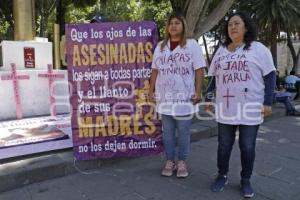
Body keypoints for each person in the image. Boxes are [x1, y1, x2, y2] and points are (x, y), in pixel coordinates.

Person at [205, 11, 276, 198]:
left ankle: (245, 179)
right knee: (224, 146)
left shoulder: (258, 49)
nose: (233, 27)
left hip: (250, 108)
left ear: (246, 27)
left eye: (237, 23)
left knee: (247, 146)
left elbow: (270, 75)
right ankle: (222, 175)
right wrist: (208, 98)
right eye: (229, 25)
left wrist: (268, 103)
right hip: (225, 107)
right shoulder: (220, 51)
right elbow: (213, 78)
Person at [149, 12, 206, 178]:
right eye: (171, 23)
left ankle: (182, 161)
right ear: (167, 27)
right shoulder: (160, 46)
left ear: (183, 26)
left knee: (183, 131)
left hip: (184, 97)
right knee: (167, 132)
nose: (173, 26)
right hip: (165, 97)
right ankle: (169, 161)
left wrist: (198, 91)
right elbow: (155, 70)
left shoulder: (192, 45)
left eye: (177, 23)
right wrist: (150, 90)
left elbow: (199, 69)